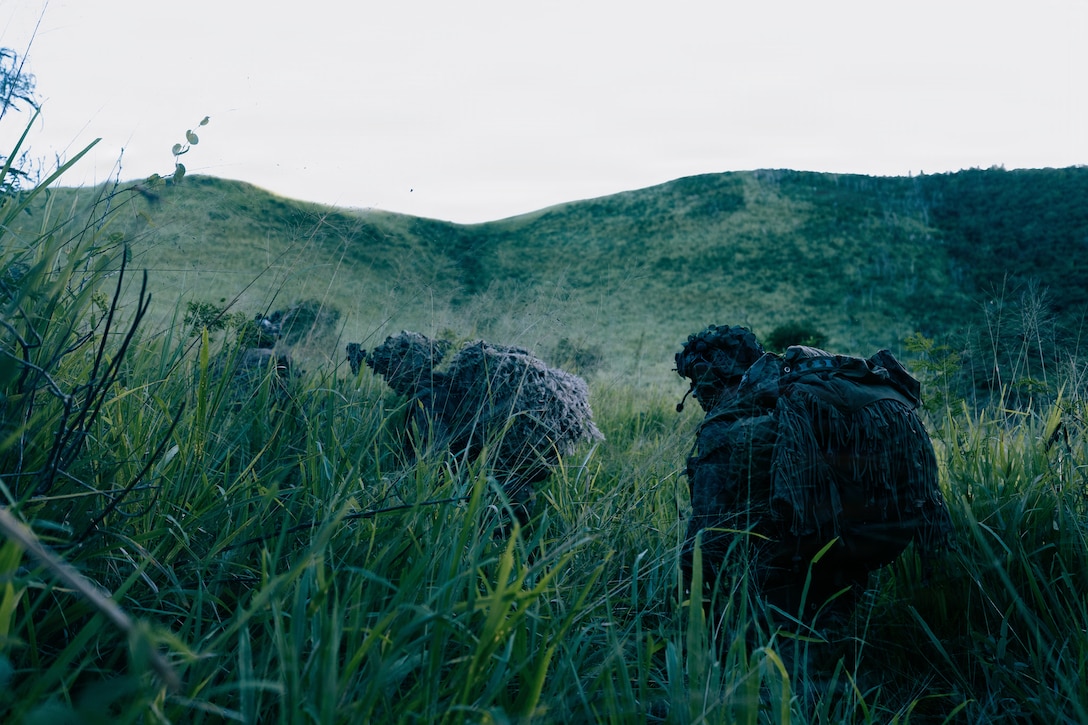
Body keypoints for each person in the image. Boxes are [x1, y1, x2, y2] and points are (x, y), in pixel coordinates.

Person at [675, 325, 953, 627]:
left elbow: (707, 534)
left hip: (791, 558)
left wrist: (691, 610)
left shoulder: (727, 426)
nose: (697, 396)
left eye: (694, 382)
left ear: (706, 376)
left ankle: (796, 658)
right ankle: (832, 648)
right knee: (827, 627)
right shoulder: (810, 388)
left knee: (780, 642)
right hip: (863, 537)